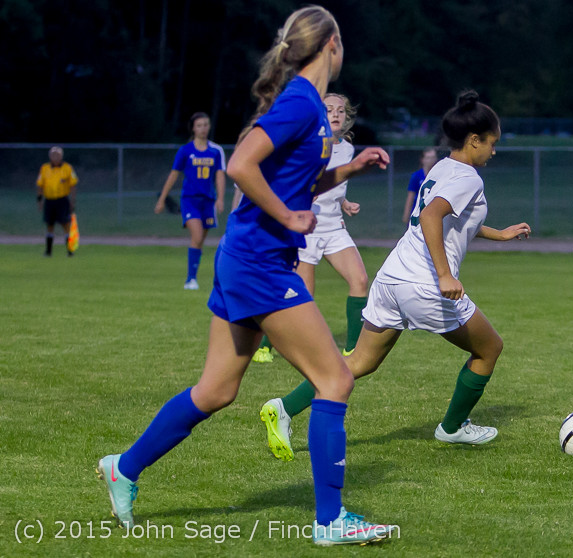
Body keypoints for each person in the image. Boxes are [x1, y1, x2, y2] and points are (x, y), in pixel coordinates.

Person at [97, 5, 397, 546]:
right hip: (258, 264)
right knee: (336, 378)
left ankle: (124, 467)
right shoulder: (301, 102)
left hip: (246, 259)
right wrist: (287, 218)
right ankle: (331, 521)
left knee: (215, 391)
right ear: (331, 43)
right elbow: (241, 165)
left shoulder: (304, 104)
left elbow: (291, 180)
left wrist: (348, 170)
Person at [261, 90, 531, 461]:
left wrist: (500, 234)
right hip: (423, 284)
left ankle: (282, 408)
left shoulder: (441, 168)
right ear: (474, 140)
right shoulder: (469, 177)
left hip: (392, 278)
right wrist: (444, 276)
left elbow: (450, 219)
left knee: (359, 362)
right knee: (490, 348)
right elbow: (433, 217)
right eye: (492, 143)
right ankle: (452, 429)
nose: (494, 151)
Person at [251, 92, 366, 365]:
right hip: (307, 230)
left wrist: (344, 202)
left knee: (360, 281)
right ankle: (265, 344)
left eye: (340, 109)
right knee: (301, 296)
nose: (336, 113)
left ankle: (352, 351)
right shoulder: (308, 144)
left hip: (334, 228)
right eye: (329, 109)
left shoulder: (348, 149)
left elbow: (333, 184)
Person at [155, 112, 226, 290]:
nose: (203, 128)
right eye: (200, 125)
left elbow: (219, 175)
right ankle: (190, 279)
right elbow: (174, 174)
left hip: (208, 201)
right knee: (196, 235)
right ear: (193, 128)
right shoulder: (186, 151)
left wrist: (220, 198)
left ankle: (193, 276)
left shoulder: (215, 151)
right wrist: (162, 198)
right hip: (190, 200)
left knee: (200, 241)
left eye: (206, 124)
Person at [36, 146, 78, 257]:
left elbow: (73, 185)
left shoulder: (67, 168)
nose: (55, 157)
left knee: (66, 225)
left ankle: (70, 251)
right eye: (53, 155)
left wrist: (73, 201)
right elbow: (40, 185)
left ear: (61, 156)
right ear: (50, 156)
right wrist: (39, 199)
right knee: (49, 225)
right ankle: (48, 251)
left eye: (57, 155)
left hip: (62, 200)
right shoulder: (44, 168)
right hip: (49, 200)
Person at [401, 147, 438, 224]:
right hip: (418, 212)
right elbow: (410, 196)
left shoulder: (439, 176)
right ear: (422, 160)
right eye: (428, 158)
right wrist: (406, 215)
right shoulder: (417, 176)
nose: (431, 160)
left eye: (433, 157)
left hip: (433, 212)